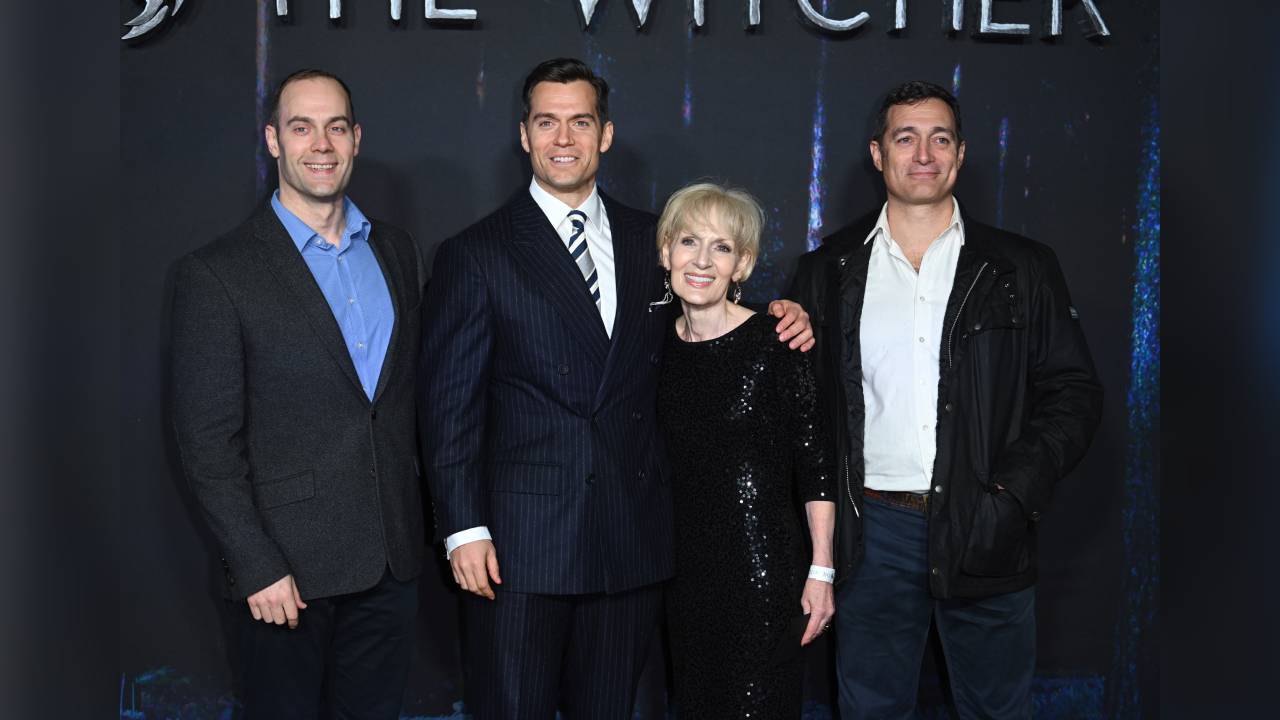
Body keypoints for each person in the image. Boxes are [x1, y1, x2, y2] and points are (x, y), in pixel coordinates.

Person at [419, 58, 814, 719]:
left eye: (581, 121)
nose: (564, 139)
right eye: (548, 122)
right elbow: (446, 405)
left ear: (605, 135)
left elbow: (707, 326)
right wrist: (462, 529)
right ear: (524, 135)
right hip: (519, 549)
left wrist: (780, 318)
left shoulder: (653, 240)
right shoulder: (477, 254)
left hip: (630, 542)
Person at [789, 81, 1103, 719]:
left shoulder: (1022, 267)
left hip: (987, 527)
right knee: (871, 710)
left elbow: (1073, 392)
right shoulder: (828, 270)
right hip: (871, 532)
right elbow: (804, 408)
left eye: (940, 139)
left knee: (996, 711)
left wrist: (1010, 495)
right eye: (906, 138)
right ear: (879, 155)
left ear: (960, 156)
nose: (923, 153)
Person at [170, 69, 426, 719]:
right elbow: (206, 442)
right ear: (273, 140)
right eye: (301, 127)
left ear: (357, 139)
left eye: (336, 126)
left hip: (389, 564)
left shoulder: (397, 252)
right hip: (284, 577)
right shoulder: (218, 273)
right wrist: (254, 564)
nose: (321, 143)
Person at [654, 183, 836, 719]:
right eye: (689, 242)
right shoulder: (652, 344)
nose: (703, 261)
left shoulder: (777, 341)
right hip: (682, 578)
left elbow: (815, 459)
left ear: (743, 264)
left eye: (722, 247)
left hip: (763, 574)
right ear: (666, 251)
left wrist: (821, 569)